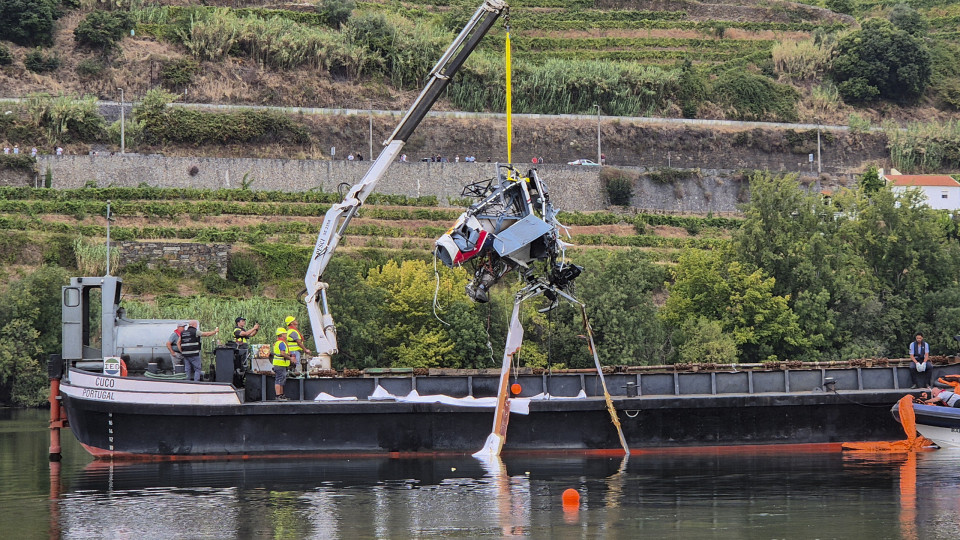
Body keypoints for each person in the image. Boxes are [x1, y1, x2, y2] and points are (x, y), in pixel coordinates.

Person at [272, 327, 293, 401]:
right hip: (280, 364)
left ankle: (281, 395)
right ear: (281, 335)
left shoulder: (279, 342)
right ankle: (278, 396)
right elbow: (282, 353)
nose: (286, 334)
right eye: (285, 333)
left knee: (281, 379)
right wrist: (290, 358)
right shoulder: (281, 343)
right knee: (279, 380)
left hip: (280, 364)